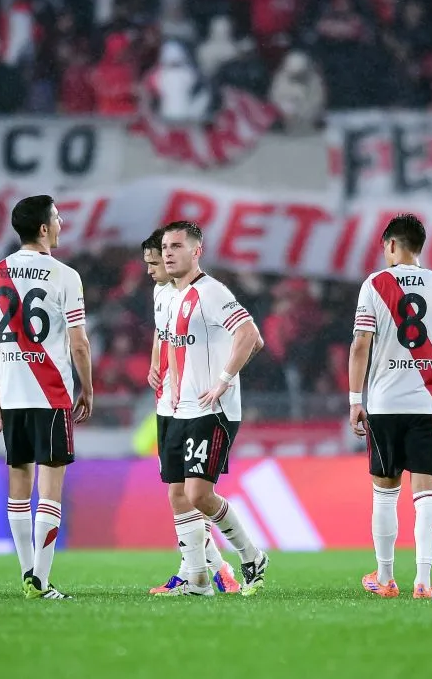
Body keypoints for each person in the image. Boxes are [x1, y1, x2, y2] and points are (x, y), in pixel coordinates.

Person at [0, 195, 94, 601]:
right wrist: (88, 388)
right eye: (57, 218)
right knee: (51, 488)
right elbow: (79, 343)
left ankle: (28, 573)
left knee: (18, 485)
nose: (60, 224)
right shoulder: (65, 276)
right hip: (52, 392)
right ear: (43, 228)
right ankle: (40, 581)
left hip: (12, 395)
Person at [159, 220, 268, 596]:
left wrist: (223, 380)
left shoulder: (211, 292)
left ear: (196, 251)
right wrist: (174, 386)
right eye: (165, 247)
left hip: (212, 411)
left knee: (198, 495)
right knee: (177, 494)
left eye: (176, 246)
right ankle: (198, 580)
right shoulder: (172, 295)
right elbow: (176, 345)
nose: (168, 253)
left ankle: (251, 555)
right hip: (182, 409)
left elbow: (252, 336)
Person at [348, 215, 432, 599]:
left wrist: (356, 400)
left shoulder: (375, 284)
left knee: (385, 492)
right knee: (426, 493)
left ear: (391, 245)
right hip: (429, 401)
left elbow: (361, 344)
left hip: (386, 403)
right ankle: (423, 580)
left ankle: (386, 579)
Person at [142, 228, 241, 595]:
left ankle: (201, 570)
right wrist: (155, 362)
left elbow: (243, 335)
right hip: (168, 401)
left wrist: (223, 379)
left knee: (188, 493)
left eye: (158, 260)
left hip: (192, 403)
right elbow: (161, 332)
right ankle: (212, 570)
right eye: (153, 260)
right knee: (181, 494)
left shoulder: (201, 295)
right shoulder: (162, 293)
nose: (153, 269)